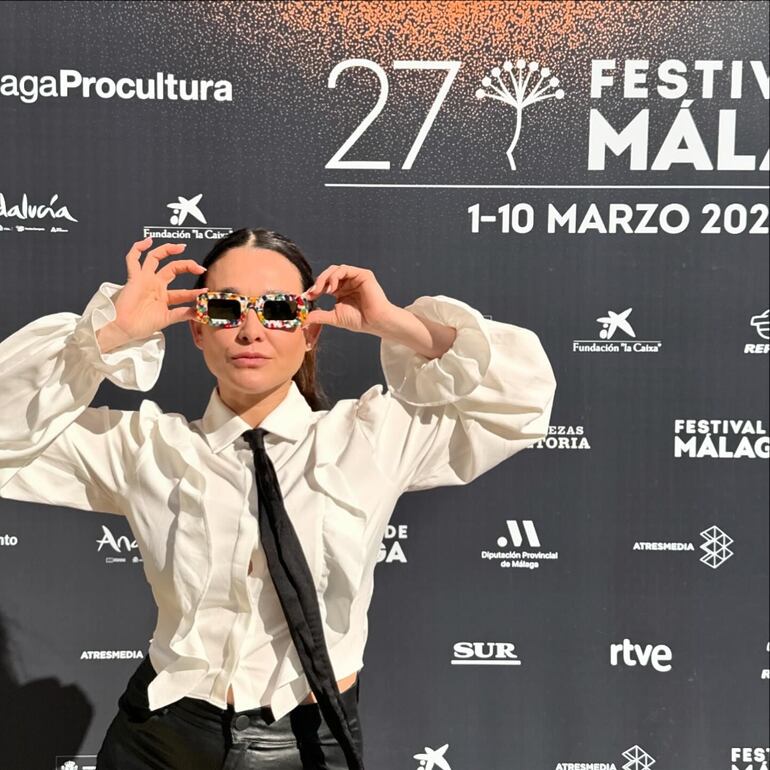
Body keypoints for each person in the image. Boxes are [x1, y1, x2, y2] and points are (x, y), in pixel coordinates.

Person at [0, 227, 557, 769]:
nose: (250, 330)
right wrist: (103, 340)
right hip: (160, 738)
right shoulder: (144, 447)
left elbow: (521, 403)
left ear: (310, 329)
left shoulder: (373, 437)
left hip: (310, 740)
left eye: (278, 310)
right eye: (223, 308)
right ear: (197, 329)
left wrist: (398, 325)